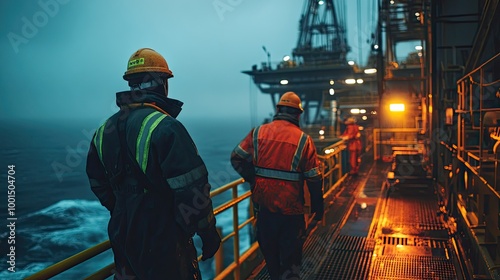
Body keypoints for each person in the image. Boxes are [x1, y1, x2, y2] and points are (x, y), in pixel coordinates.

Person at [86, 48, 221, 279]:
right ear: (162, 84)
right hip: (163, 237)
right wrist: (208, 233)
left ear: (131, 84)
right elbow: (193, 189)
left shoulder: (103, 130)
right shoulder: (167, 127)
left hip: (122, 233)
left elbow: (97, 181)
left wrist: (123, 206)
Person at [230, 91, 324, 280]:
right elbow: (314, 178)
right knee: (291, 263)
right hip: (292, 213)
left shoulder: (258, 133)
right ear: (298, 114)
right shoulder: (304, 140)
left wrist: (253, 178)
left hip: (265, 211)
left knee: (271, 260)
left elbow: (236, 158)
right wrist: (318, 209)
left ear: (277, 109)